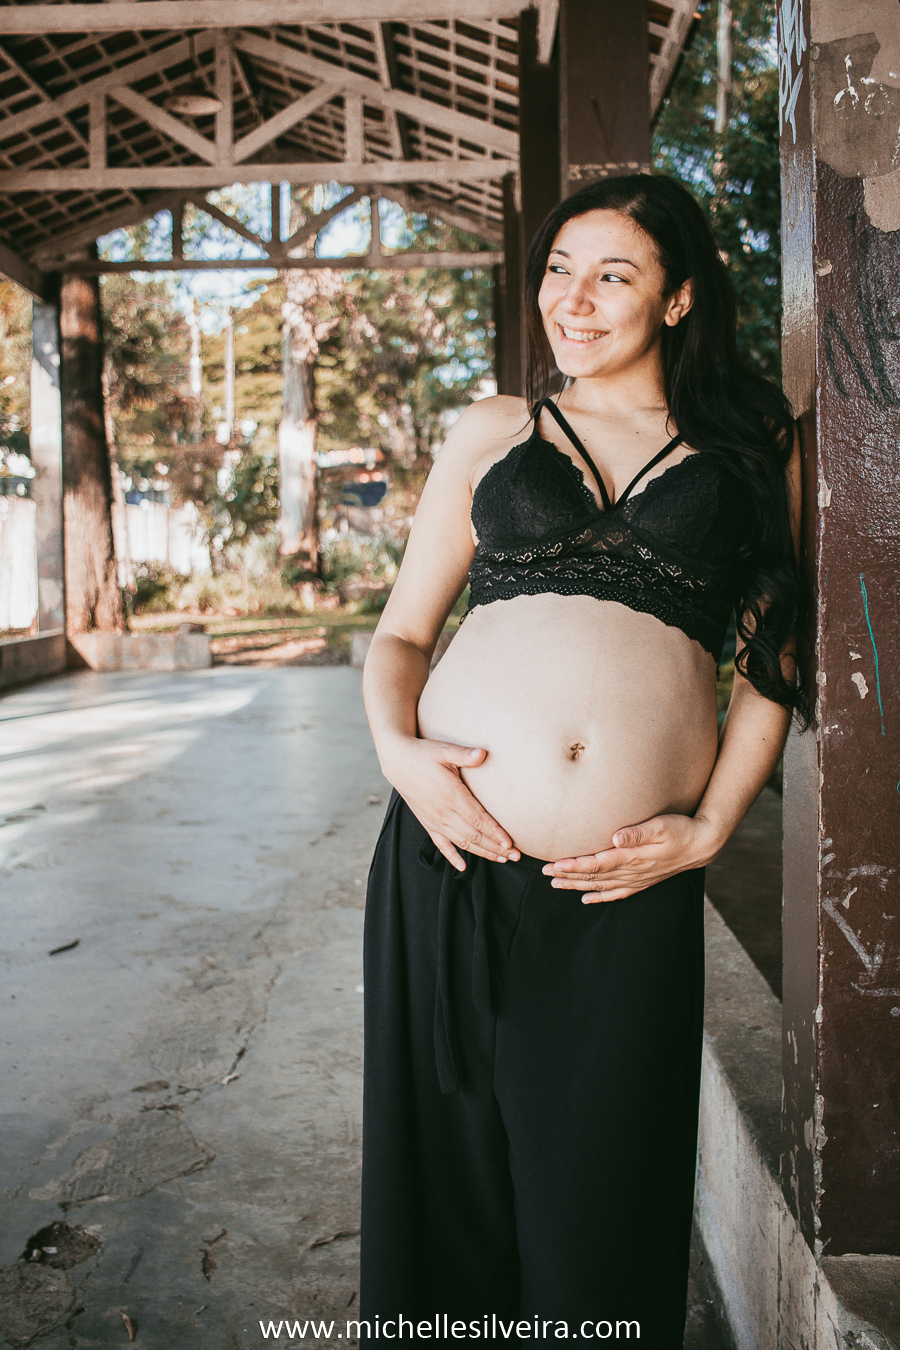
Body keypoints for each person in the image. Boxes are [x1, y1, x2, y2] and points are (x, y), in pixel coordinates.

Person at [359, 174, 808, 1347]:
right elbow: (403, 636)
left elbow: (773, 663)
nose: (576, 298)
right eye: (560, 268)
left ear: (677, 300)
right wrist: (399, 755)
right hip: (449, 854)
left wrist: (711, 827)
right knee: (444, 1195)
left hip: (626, 884)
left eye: (614, 274)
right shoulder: (491, 433)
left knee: (600, 1203)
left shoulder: (751, 448)